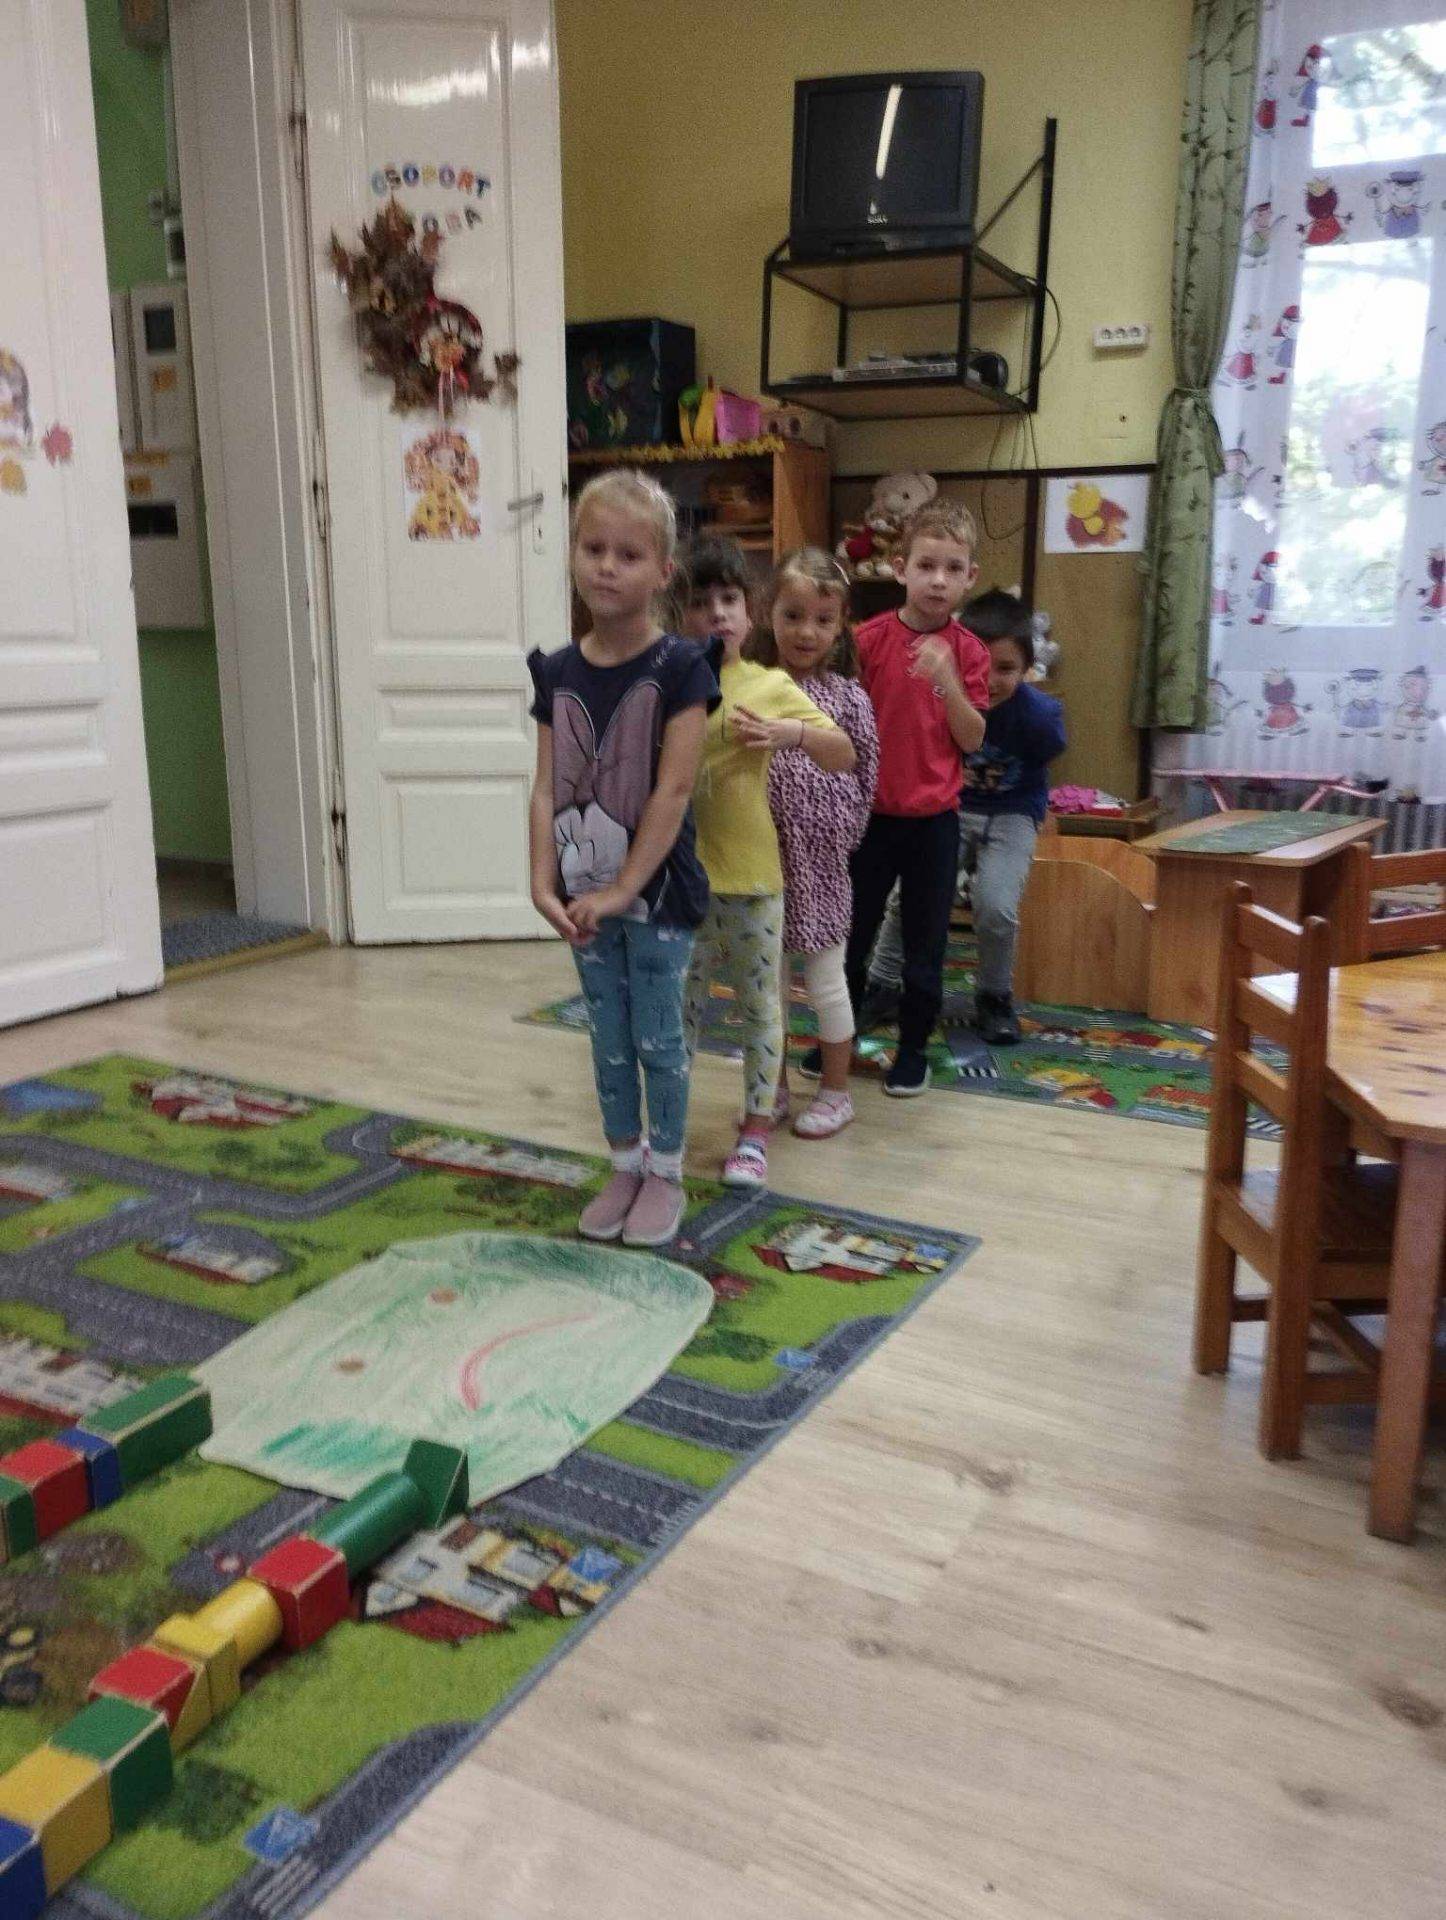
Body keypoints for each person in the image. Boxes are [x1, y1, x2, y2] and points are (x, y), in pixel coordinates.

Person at [527, 470, 718, 1249]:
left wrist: (623, 888)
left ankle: (665, 1171)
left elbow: (673, 791)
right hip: (583, 896)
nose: (607, 567)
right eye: (593, 548)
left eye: (629, 555)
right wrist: (541, 880)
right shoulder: (556, 672)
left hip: (658, 896)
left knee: (657, 1039)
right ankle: (623, 1163)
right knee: (606, 1038)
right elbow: (547, 787)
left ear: (663, 572)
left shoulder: (681, 669)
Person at [679, 534, 854, 1187]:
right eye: (701, 602)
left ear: (749, 613)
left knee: (761, 1007)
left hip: (753, 878)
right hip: (680, 880)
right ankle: (666, 1125)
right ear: (680, 614)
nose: (717, 613)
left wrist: (793, 734)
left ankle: (755, 1131)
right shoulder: (666, 681)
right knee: (680, 1009)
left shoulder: (769, 684)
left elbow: (843, 753)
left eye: (729, 599)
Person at [866, 589, 1066, 1045]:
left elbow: (1046, 761)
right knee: (908, 897)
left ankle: (994, 996)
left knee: (995, 907)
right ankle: (881, 985)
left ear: (1028, 668)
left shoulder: (1039, 716)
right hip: (951, 807)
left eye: (1007, 669)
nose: (991, 681)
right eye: (982, 665)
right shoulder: (940, 698)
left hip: (1012, 814)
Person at [840, 499, 990, 1097]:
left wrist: (947, 679)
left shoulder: (971, 652)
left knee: (926, 948)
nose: (938, 580)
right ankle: (838, 1042)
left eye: (953, 569)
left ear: (970, 577)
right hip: (870, 818)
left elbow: (972, 738)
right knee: (850, 937)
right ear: (900, 568)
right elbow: (842, 719)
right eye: (926, 565)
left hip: (934, 824)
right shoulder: (867, 640)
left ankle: (911, 1052)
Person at [755, 548, 879, 1139]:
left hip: (822, 869)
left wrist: (836, 840)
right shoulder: (754, 687)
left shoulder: (849, 698)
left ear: (840, 624)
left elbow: (865, 774)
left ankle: (836, 1092)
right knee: (767, 988)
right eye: (794, 615)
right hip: (761, 864)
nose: (807, 632)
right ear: (770, 613)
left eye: (822, 620)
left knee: (827, 984)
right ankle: (771, 1085)